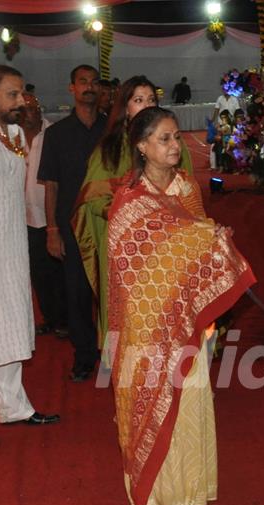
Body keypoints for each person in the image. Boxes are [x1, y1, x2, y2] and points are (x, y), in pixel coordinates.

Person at [107, 106, 255, 505]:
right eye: (165, 139)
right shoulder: (128, 203)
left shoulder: (186, 187)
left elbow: (196, 234)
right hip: (148, 321)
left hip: (187, 310)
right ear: (142, 147)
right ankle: (160, 495)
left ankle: (190, 485)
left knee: (190, 395)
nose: (175, 146)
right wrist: (198, 241)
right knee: (154, 393)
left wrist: (213, 241)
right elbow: (127, 266)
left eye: (176, 137)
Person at [74, 76, 193, 358]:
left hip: (167, 245)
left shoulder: (173, 144)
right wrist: (131, 215)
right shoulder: (109, 148)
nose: (146, 105)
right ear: (125, 108)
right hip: (126, 250)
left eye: (151, 99)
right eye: (138, 100)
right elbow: (91, 198)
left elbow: (189, 195)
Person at [0, 65, 60, 447]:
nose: (21, 101)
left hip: (11, 246)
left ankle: (13, 406)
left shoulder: (12, 133)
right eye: (12, 94)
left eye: (23, 93)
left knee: (10, 324)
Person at [38, 65, 107, 382]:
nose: (89, 87)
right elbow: (50, 185)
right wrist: (52, 230)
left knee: (111, 294)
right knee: (77, 293)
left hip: (110, 224)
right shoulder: (56, 134)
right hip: (72, 226)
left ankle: (113, 353)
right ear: (72, 89)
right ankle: (84, 357)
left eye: (94, 82)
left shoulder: (113, 131)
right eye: (83, 82)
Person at [19, 92, 67, 339]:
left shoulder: (54, 135)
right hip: (23, 218)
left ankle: (64, 320)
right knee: (38, 273)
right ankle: (49, 318)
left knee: (58, 271)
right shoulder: (10, 137)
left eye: (35, 107)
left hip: (50, 216)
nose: (33, 112)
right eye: (26, 108)